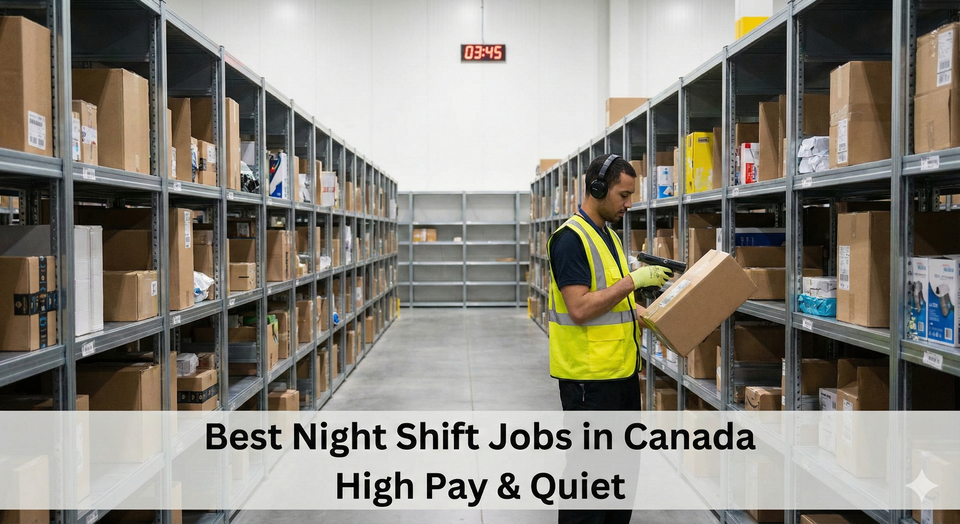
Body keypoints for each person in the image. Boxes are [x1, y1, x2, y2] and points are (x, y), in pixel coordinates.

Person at [547, 153, 672, 524]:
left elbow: (611, 300)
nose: (629, 204)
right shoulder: (570, 240)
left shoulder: (610, 236)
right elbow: (581, 309)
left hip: (619, 373)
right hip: (589, 380)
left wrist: (644, 313)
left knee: (621, 473)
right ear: (597, 188)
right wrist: (635, 280)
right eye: (623, 194)